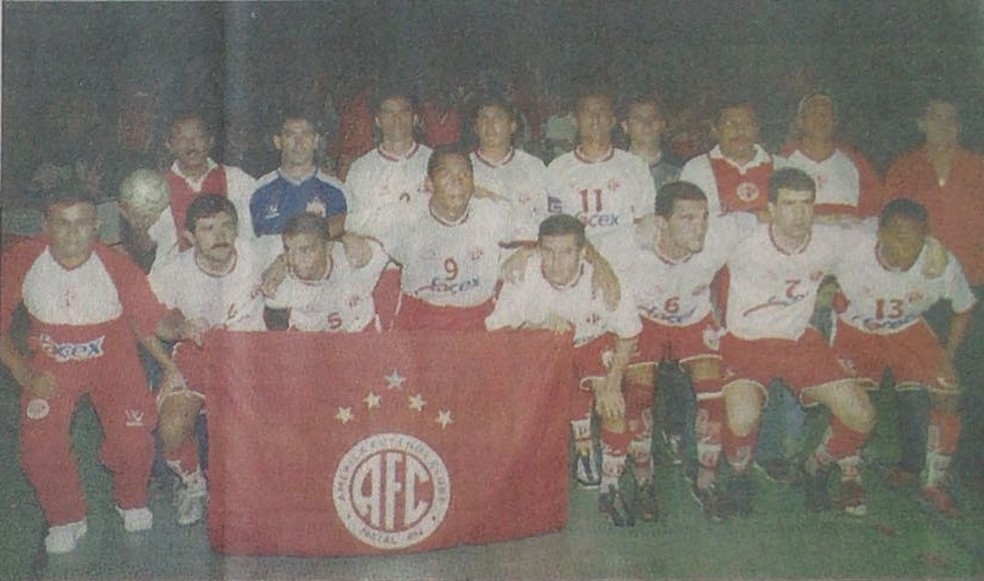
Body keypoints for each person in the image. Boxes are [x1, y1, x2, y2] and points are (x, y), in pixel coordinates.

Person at [0, 189, 185, 553]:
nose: (72, 234)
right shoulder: (23, 259)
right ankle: (67, 516)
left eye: (82, 223)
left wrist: (185, 325)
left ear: (97, 226)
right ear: (45, 226)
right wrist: (24, 374)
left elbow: (155, 321)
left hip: (112, 359)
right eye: (62, 224)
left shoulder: (116, 265)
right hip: (53, 360)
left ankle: (130, 497)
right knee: (38, 444)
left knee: (133, 440)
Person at [600, 181, 759, 521]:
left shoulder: (717, 236)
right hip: (645, 320)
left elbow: (763, 216)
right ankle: (644, 481)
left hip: (693, 319)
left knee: (713, 396)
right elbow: (583, 246)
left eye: (702, 217)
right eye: (686, 219)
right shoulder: (629, 242)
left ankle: (706, 481)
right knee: (638, 398)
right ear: (660, 223)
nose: (699, 227)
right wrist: (606, 276)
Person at [721, 167, 876, 516]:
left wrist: (933, 250)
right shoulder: (743, 238)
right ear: (771, 208)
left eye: (807, 204)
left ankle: (816, 468)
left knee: (861, 415)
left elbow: (880, 232)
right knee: (742, 417)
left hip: (797, 340)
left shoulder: (829, 240)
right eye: (789, 204)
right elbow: (689, 241)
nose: (799, 213)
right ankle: (739, 476)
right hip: (746, 341)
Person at [486, 214, 647, 525]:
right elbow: (496, 333)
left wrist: (613, 384)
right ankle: (578, 452)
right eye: (548, 251)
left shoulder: (606, 281)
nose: (555, 262)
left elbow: (628, 334)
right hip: (543, 349)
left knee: (613, 406)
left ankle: (610, 488)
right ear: (537, 250)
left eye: (566, 252)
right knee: (523, 414)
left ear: (583, 252)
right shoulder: (523, 275)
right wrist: (536, 327)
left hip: (590, 342)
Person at [833, 198, 976, 518]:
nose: (909, 247)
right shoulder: (852, 248)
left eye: (918, 238)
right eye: (900, 236)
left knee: (948, 390)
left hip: (907, 330)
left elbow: (964, 308)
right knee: (853, 402)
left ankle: (934, 482)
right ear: (880, 234)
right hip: (857, 330)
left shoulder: (939, 263)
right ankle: (850, 476)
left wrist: (947, 355)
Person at [148, 195, 268, 526]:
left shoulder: (258, 252)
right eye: (208, 228)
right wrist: (178, 333)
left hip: (250, 354)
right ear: (189, 237)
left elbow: (310, 243)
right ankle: (192, 483)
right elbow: (147, 320)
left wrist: (283, 266)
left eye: (228, 226)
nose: (220, 235)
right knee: (171, 428)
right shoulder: (173, 270)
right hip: (196, 353)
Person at [371, 145, 509, 331]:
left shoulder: (491, 212)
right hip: (421, 317)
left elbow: (543, 229)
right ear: (429, 183)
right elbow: (351, 222)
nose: (457, 182)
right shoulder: (406, 215)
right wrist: (351, 239)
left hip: (476, 317)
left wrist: (524, 253)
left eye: (464, 175)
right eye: (446, 175)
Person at [135, 113, 257, 267]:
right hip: (176, 277)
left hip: (231, 274)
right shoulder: (156, 190)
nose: (191, 144)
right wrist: (138, 229)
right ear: (169, 144)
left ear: (210, 140)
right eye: (181, 138)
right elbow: (146, 250)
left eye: (198, 136)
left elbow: (253, 236)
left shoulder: (237, 180)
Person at [546, 86, 657, 249]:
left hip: (626, 259)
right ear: (575, 121)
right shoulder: (558, 168)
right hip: (576, 260)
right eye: (588, 112)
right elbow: (552, 226)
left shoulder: (635, 166)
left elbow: (646, 221)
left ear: (612, 120)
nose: (595, 118)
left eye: (602, 112)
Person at [264, 213, 388, 332]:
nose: (294, 260)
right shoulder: (279, 283)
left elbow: (386, 225)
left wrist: (348, 234)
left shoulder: (352, 257)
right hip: (309, 342)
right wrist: (280, 260)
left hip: (362, 335)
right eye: (288, 249)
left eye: (305, 250)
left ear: (328, 247)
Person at [778, 90, 884, 221]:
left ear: (835, 121)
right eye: (813, 113)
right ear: (801, 121)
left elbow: (875, 210)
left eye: (826, 113)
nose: (820, 119)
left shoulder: (856, 161)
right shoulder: (781, 162)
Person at [250, 110, 348, 248]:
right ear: (278, 142)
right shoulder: (258, 191)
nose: (298, 143)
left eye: (306, 134)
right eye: (290, 135)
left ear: (316, 141)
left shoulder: (338, 191)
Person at [344, 87, 433, 237]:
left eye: (403, 112)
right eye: (388, 112)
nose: (396, 119)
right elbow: (352, 224)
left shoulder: (434, 161)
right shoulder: (361, 168)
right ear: (378, 120)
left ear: (415, 119)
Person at [470, 93, 549, 246]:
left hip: (526, 254)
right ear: (475, 127)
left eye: (498, 118)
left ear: (512, 126)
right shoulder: (463, 169)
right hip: (479, 256)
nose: (490, 125)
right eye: (484, 118)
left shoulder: (533, 166)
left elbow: (546, 217)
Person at [679, 98, 773, 216]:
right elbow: (689, 219)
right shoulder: (697, 169)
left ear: (757, 129)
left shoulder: (781, 166)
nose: (740, 130)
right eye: (730, 124)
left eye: (747, 123)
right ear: (715, 131)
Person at [620, 93, 681, 192]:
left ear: (663, 125)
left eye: (653, 118)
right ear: (625, 126)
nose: (647, 124)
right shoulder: (613, 168)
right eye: (639, 119)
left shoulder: (679, 170)